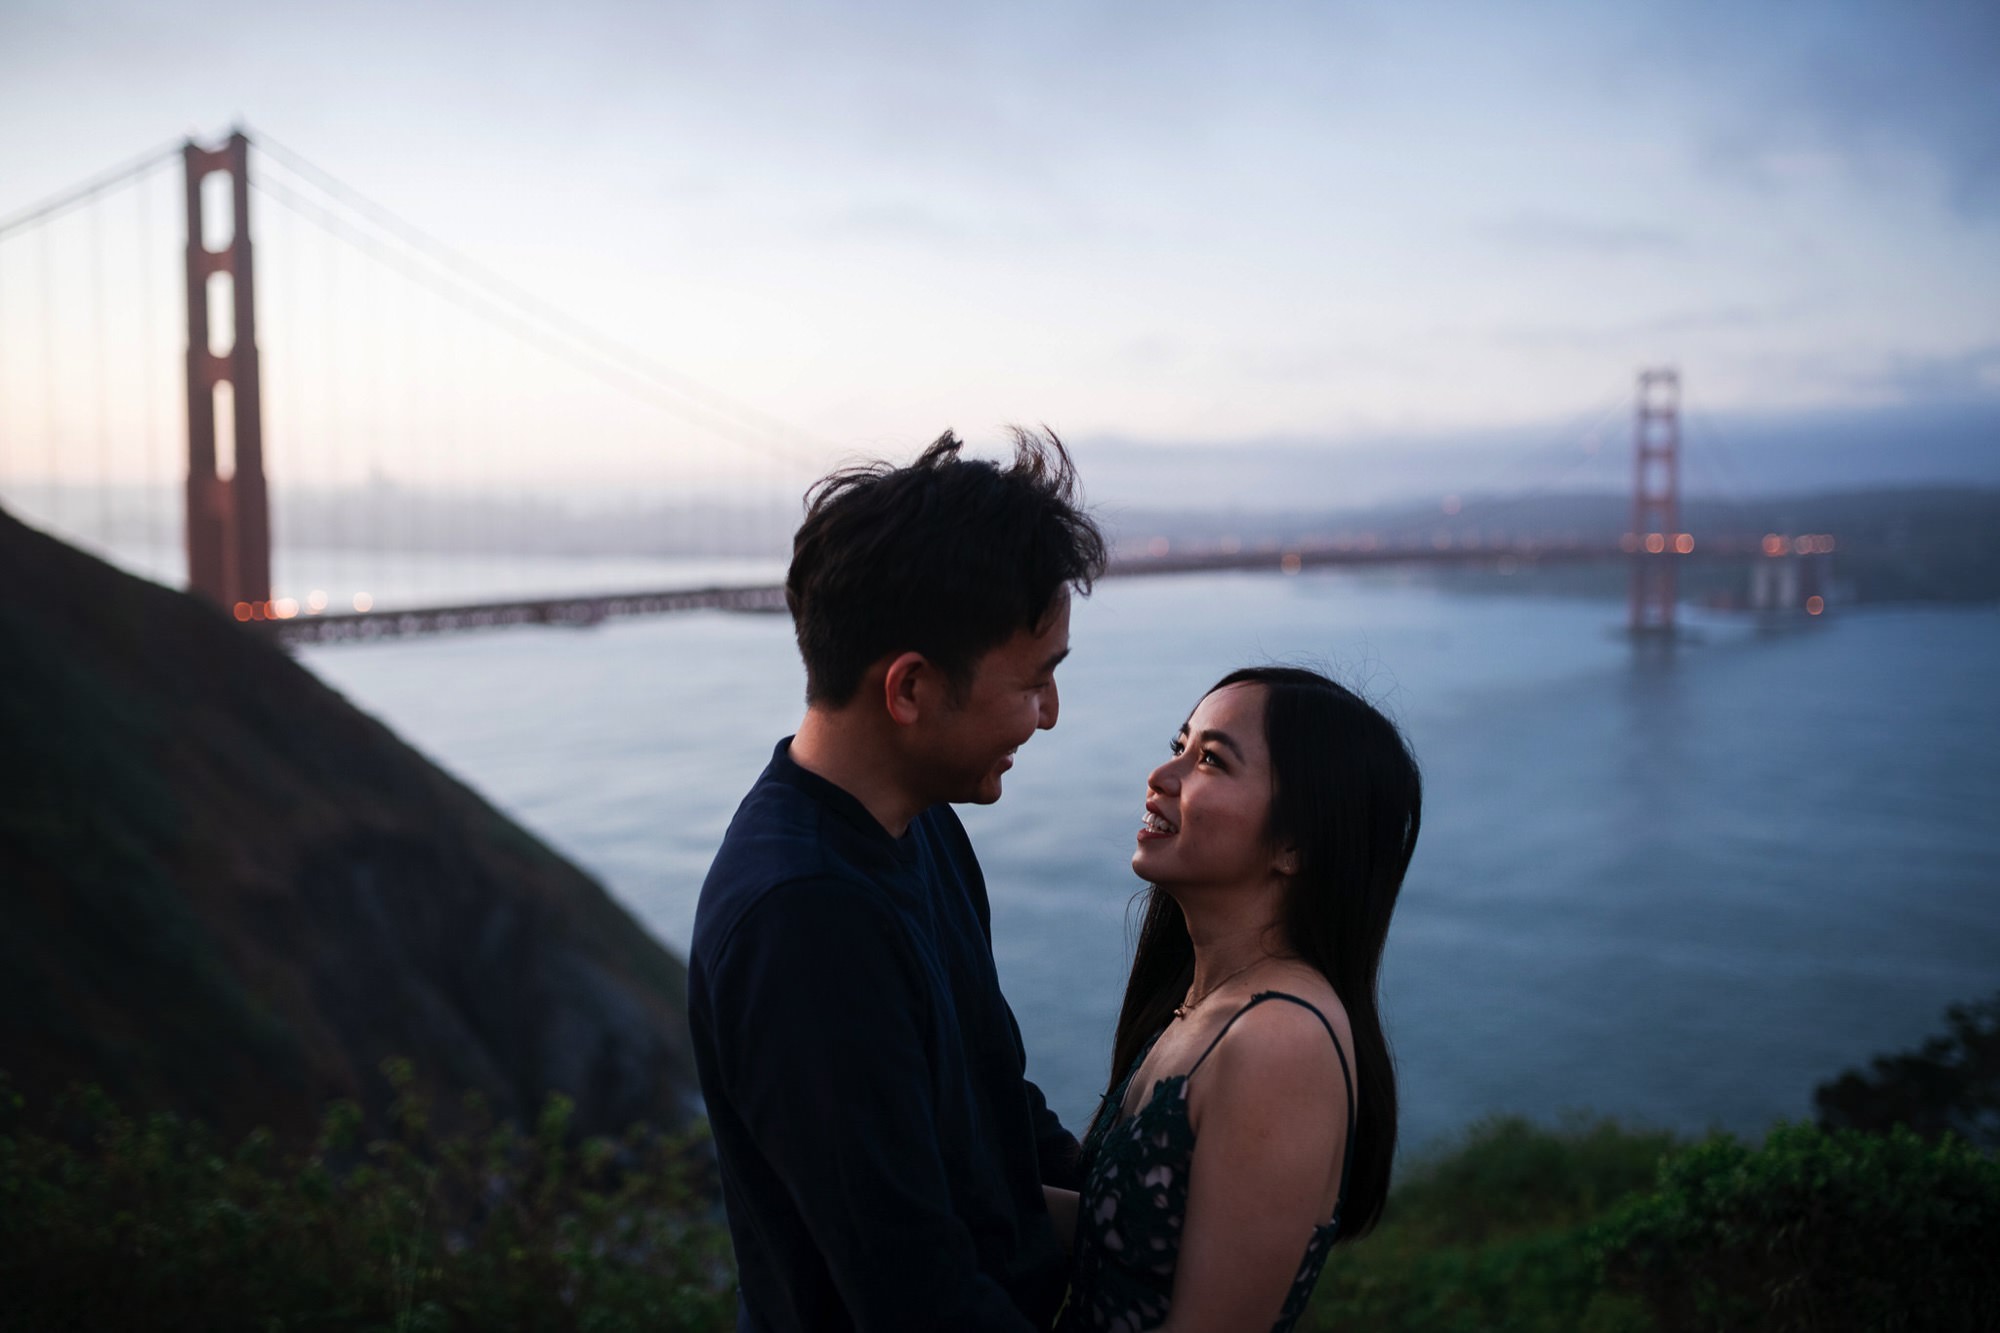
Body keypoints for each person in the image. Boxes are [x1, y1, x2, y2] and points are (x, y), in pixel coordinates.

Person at [688, 428, 1108, 1332]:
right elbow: (914, 1293)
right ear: (909, 688)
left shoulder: (922, 827)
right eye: (1035, 680)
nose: (1050, 714)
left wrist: (1159, 1207)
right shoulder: (803, 919)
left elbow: (995, 1101)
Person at [1048, 666, 1422, 1333]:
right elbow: (1124, 1245)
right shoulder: (1203, 1005)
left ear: (1296, 844)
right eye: (1179, 745)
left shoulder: (1280, 1041)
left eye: (1211, 760)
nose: (1161, 776)